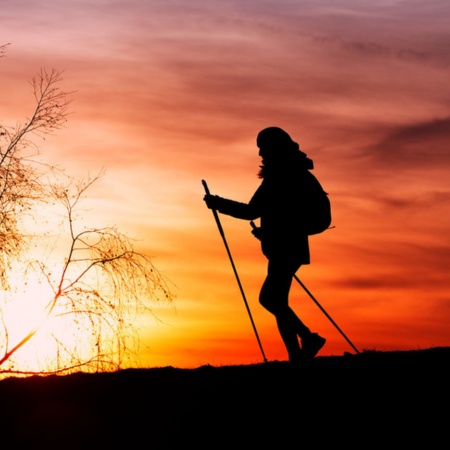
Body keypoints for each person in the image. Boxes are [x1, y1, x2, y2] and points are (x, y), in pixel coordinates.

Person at [203, 126, 326, 363]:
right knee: (278, 301)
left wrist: (218, 203)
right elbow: (281, 214)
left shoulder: (281, 176)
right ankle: (297, 354)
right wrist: (268, 232)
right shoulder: (295, 173)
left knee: (270, 299)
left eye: (263, 149)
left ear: (274, 149)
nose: (260, 154)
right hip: (289, 245)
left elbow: (252, 210)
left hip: (286, 247)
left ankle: (308, 338)